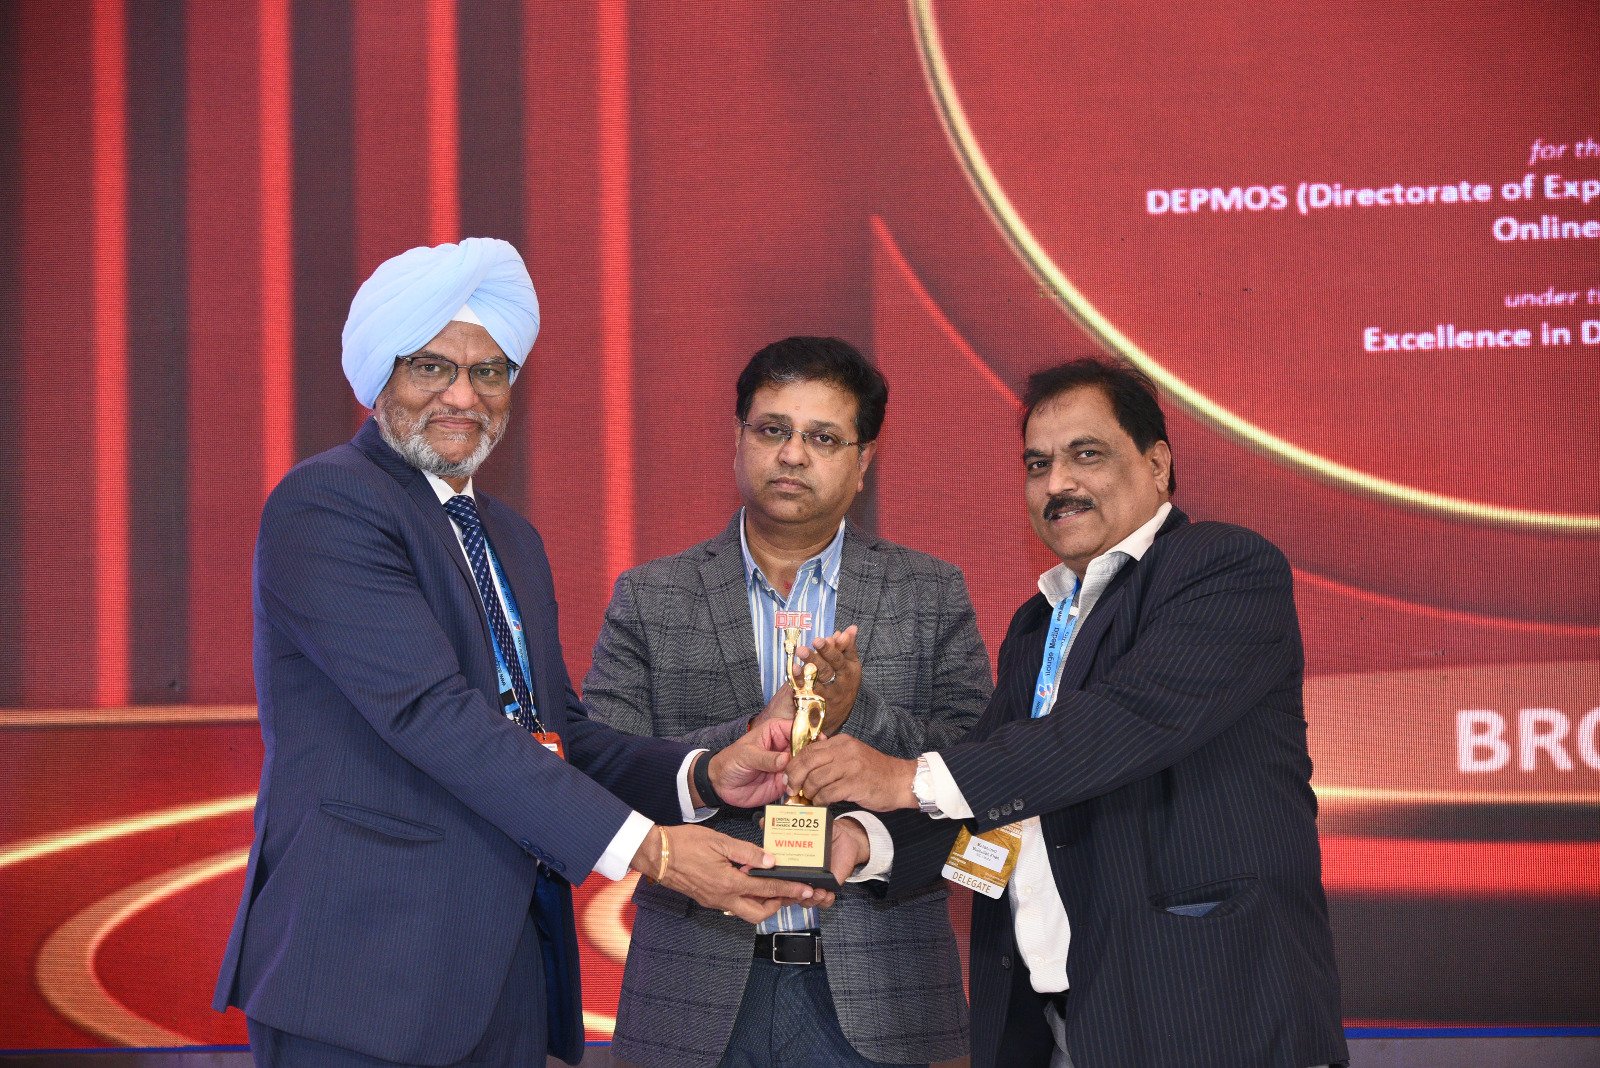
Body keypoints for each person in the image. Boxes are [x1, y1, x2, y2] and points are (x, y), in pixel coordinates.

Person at [213, 239, 829, 1068]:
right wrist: (648, 849)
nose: (463, 395)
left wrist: (705, 775)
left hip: (505, 974)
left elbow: (556, 730)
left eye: (490, 372)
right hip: (364, 977)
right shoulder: (329, 504)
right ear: (381, 376)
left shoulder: (509, 536)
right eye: (432, 367)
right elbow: (430, 713)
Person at [792, 358, 1348, 1068]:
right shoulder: (1039, 622)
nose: (1057, 483)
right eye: (1038, 464)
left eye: (1087, 454)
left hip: (1209, 1017)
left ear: (1157, 464)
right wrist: (865, 842)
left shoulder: (1223, 568)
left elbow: (1126, 722)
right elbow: (999, 797)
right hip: (1057, 1020)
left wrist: (906, 778)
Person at [582, 336, 992, 1067]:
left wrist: (857, 714)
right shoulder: (651, 596)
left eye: (823, 438)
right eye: (773, 429)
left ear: (863, 462)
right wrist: (744, 736)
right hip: (692, 996)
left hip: (882, 997)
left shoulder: (929, 592)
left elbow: (981, 771)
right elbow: (602, 768)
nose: (793, 454)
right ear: (738, 440)